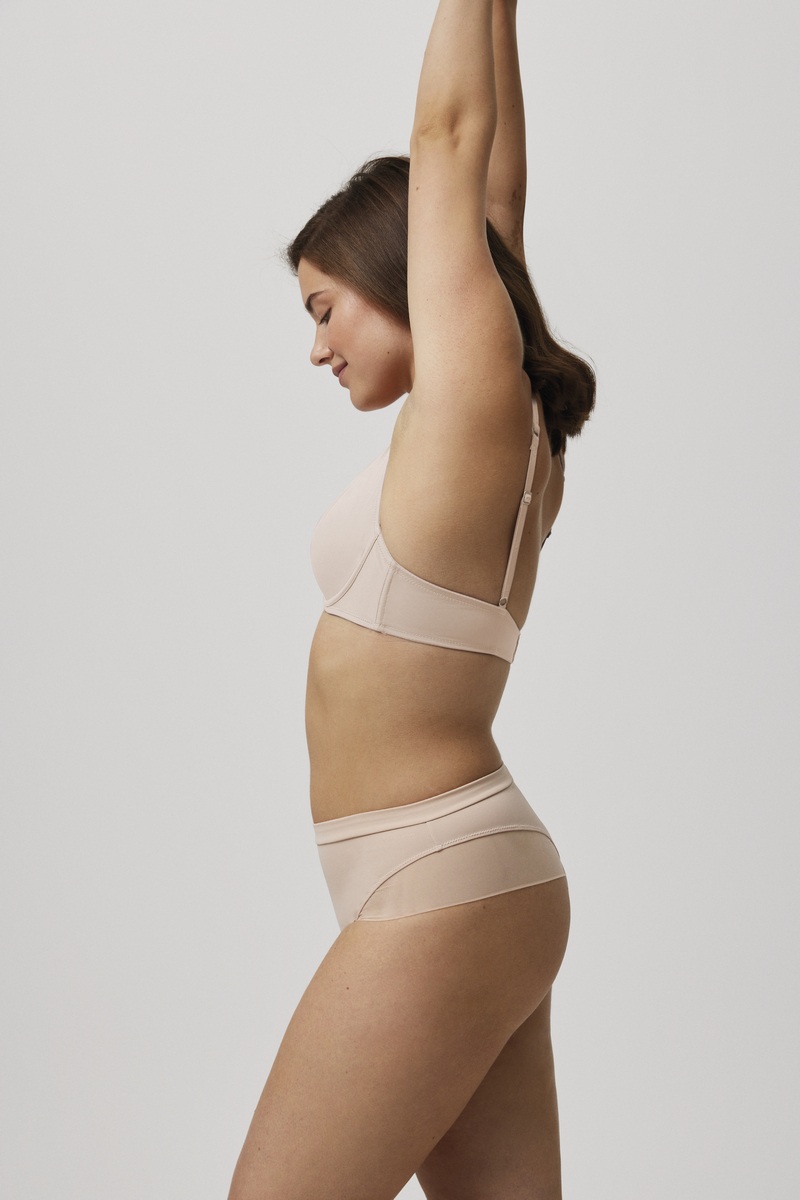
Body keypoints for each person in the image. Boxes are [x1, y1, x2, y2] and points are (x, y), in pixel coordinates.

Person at [229, 2, 594, 1196]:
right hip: (467, 880)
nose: (316, 348)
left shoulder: (473, 400)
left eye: (322, 307)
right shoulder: (496, 409)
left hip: (437, 879)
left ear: (403, 277)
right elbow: (493, 196)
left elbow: (448, 143)